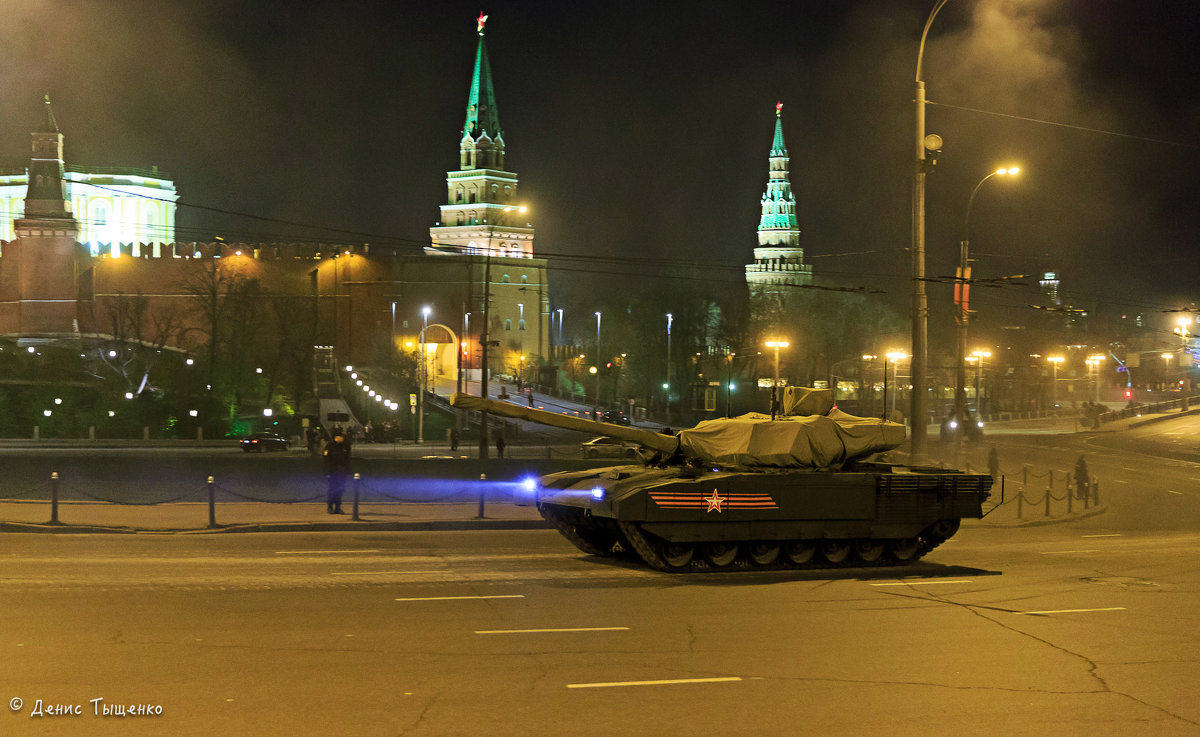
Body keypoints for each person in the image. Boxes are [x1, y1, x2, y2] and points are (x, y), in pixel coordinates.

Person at [323, 431, 352, 514]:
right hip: (333, 471)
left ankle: (338, 507)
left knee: (340, 489)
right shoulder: (330, 446)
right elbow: (326, 460)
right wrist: (328, 472)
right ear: (336, 437)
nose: (342, 438)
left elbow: (347, 460)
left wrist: (347, 471)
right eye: (341, 436)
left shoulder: (344, 446)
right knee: (332, 489)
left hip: (342, 472)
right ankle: (330, 506)